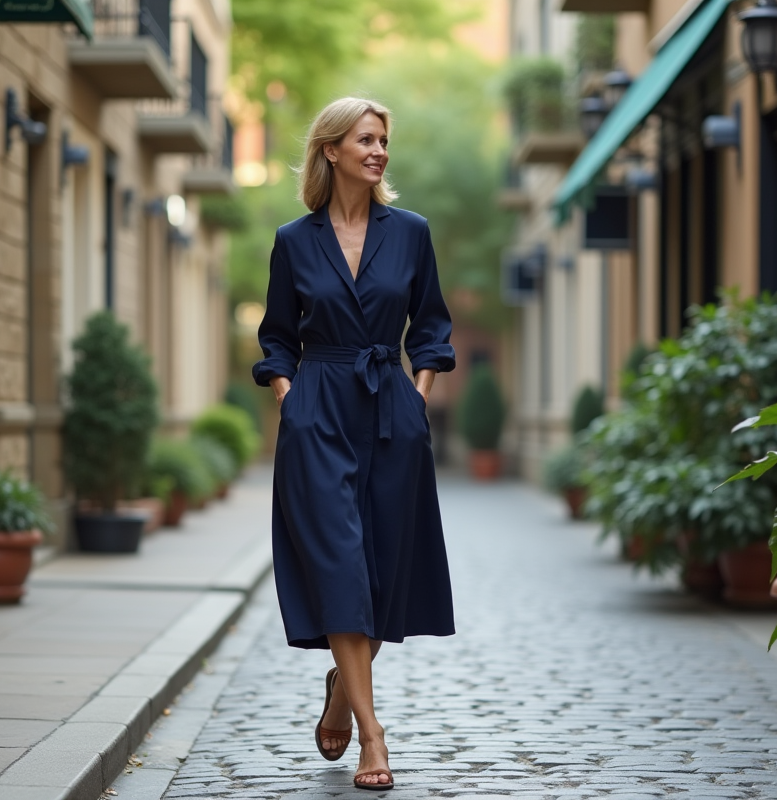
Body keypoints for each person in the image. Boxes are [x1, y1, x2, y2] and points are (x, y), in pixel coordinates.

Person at [252, 96, 457, 790]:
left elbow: (430, 327)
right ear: (331, 150)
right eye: (365, 140)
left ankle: (344, 686)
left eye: (383, 141)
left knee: (377, 572)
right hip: (319, 411)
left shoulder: (411, 233)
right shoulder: (292, 240)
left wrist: (418, 399)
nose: (379, 151)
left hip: (391, 413)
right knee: (340, 564)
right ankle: (374, 736)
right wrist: (293, 403)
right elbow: (277, 336)